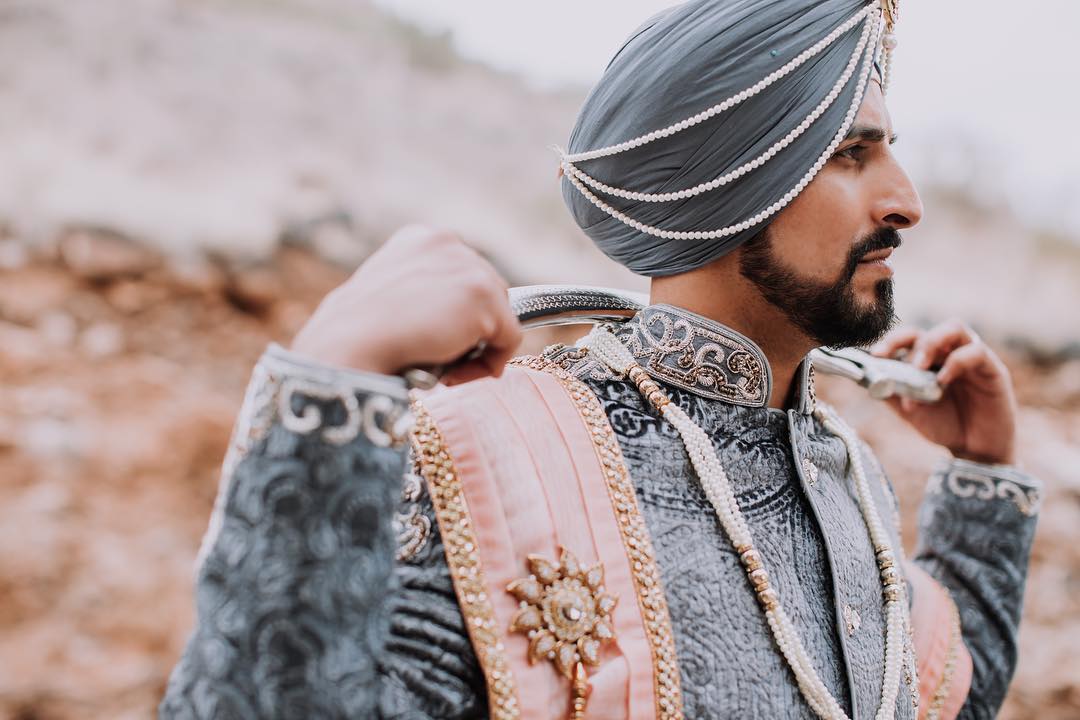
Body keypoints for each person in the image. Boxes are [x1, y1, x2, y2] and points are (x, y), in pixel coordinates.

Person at [160, 1, 1041, 718]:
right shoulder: (482, 454)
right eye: (852, 153)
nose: (906, 201)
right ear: (730, 181)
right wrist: (330, 384)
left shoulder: (849, 474)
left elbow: (945, 698)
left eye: (891, 150)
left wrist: (984, 480)